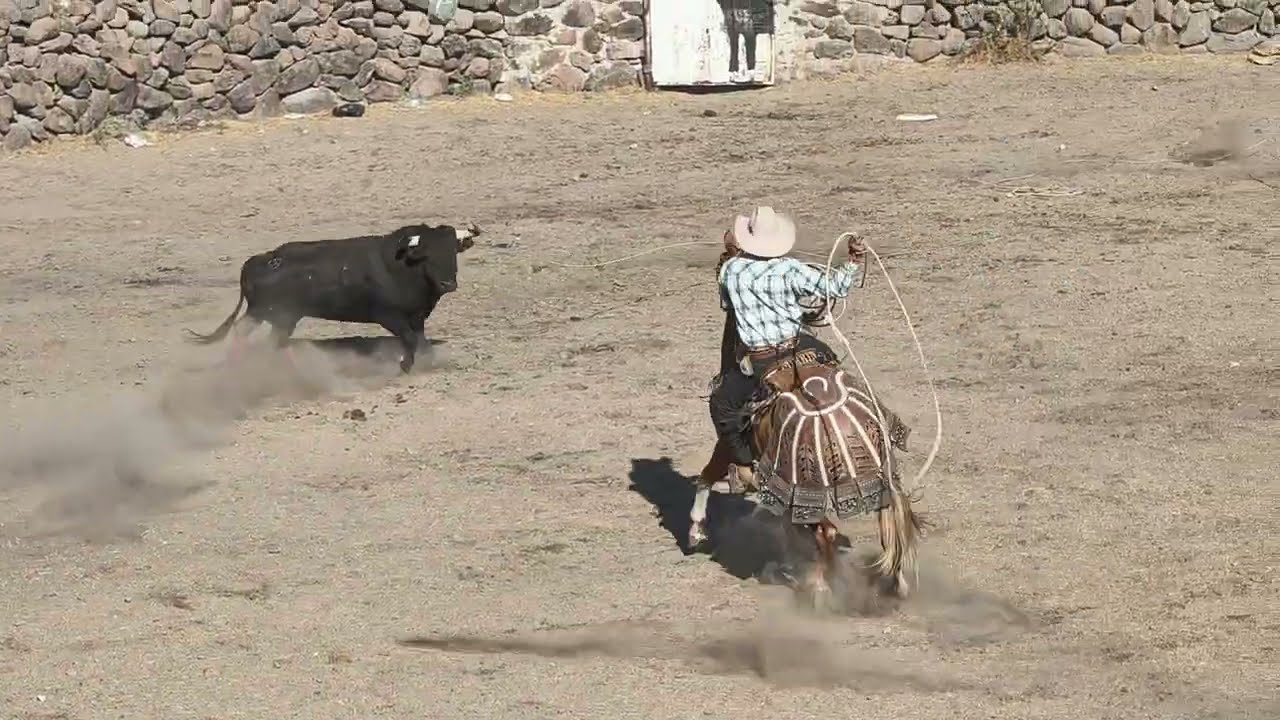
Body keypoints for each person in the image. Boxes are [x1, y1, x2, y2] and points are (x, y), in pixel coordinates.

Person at [701, 205, 868, 492]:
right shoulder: (790, 268)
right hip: (800, 346)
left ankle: (743, 465)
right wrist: (852, 261)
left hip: (763, 359)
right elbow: (836, 287)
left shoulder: (731, 271)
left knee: (723, 405)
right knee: (833, 366)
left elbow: (728, 306)